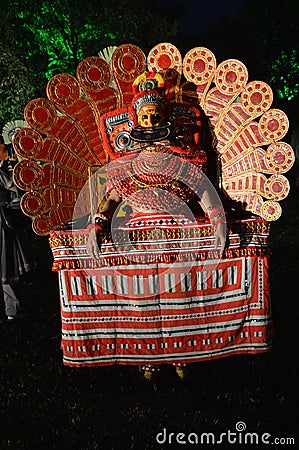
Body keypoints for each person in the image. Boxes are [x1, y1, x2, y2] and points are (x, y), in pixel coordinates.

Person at [86, 71, 227, 379]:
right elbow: (110, 198)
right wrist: (98, 224)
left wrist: (217, 221)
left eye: (155, 115)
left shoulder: (183, 158)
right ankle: (147, 354)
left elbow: (203, 190)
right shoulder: (125, 164)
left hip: (179, 232)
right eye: (145, 117)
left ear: (166, 117)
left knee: (181, 296)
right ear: (135, 122)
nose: (150, 122)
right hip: (137, 240)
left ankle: (181, 353)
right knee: (143, 299)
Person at [0, 140, 35, 320]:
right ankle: (11, 309)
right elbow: (14, 185)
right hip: (4, 219)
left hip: (11, 216)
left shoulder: (11, 160)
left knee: (9, 261)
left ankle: (14, 307)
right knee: (6, 263)